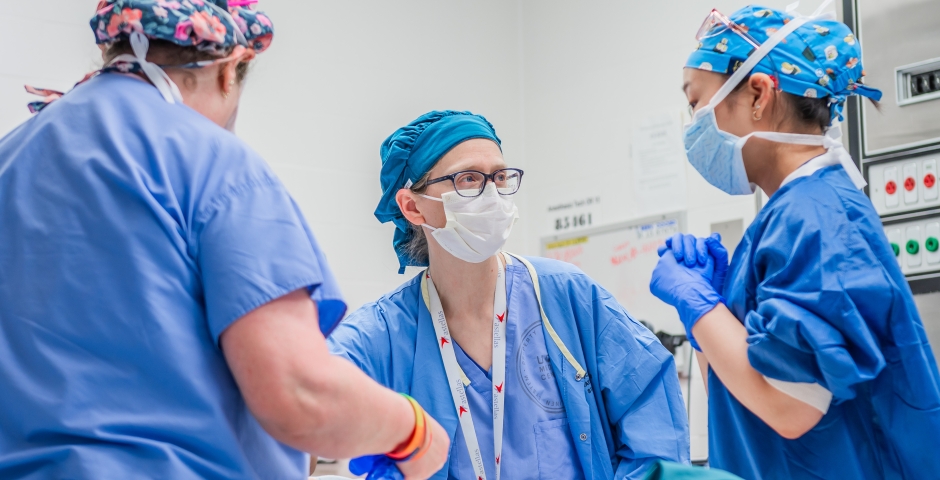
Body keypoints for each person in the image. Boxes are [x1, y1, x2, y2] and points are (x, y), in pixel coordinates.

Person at [0, 1, 447, 478]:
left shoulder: (13, 157)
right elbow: (300, 394)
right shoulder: (207, 158)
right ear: (229, 67)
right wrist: (416, 431)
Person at [650, 2, 940, 479]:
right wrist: (710, 318)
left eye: (696, 102)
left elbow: (790, 405)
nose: (693, 123)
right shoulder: (789, 215)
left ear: (759, 94)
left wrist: (699, 304)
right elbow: (742, 394)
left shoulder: (817, 217)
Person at [328, 110, 691, 480]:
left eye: (500, 177)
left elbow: (653, 420)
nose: (491, 195)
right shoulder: (381, 334)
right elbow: (299, 400)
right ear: (412, 207)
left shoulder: (565, 296)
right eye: (468, 179)